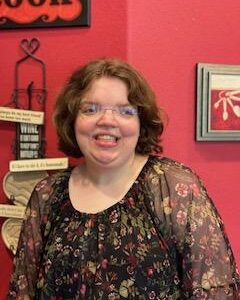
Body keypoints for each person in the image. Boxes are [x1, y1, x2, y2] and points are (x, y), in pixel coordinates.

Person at [8, 58, 240, 299]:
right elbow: (22, 290)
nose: (107, 121)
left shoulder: (172, 187)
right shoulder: (47, 194)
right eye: (90, 109)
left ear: (141, 122)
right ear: (72, 119)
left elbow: (215, 289)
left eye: (125, 111)